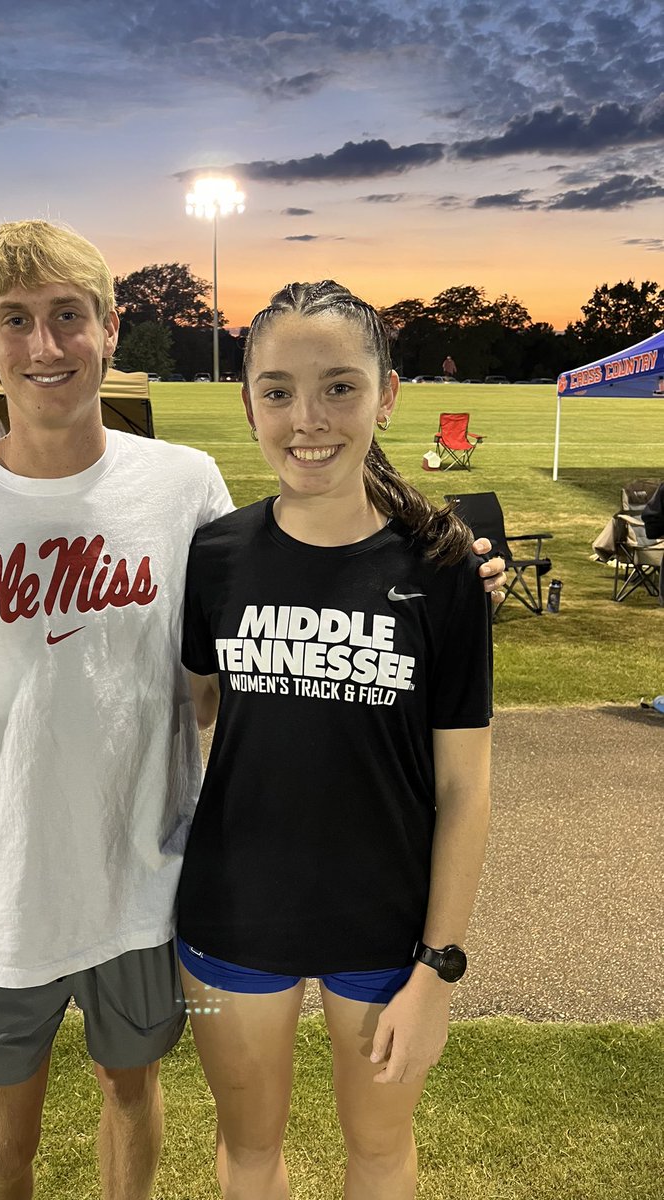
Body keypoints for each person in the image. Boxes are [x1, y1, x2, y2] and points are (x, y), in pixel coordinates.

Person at [0, 221, 505, 1200]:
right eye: (17, 321)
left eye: (68, 317)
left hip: (189, 896)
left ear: (110, 330)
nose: (46, 347)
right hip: (85, 898)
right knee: (41, 1139)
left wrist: (452, 575)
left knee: (188, 1107)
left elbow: (277, 661)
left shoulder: (186, 492)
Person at [177, 281, 493, 1200]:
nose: (306, 419)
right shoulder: (215, 555)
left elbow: (466, 789)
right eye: (276, 391)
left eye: (339, 387)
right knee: (248, 1154)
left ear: (388, 394)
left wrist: (438, 969)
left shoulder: (444, 570)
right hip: (233, 910)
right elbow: (194, 706)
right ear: (249, 404)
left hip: (387, 926)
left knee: (382, 1153)